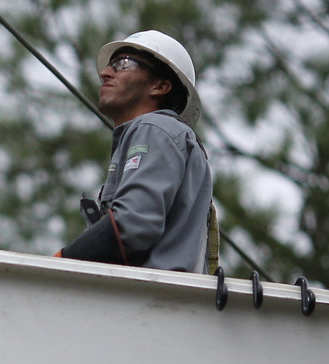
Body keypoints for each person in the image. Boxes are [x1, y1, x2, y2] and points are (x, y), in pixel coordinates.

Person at [56, 31, 213, 273]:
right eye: (110, 65)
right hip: (162, 291)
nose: (105, 73)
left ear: (160, 86)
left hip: (152, 290)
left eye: (123, 64)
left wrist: (60, 262)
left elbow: (132, 226)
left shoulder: (154, 128)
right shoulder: (164, 135)